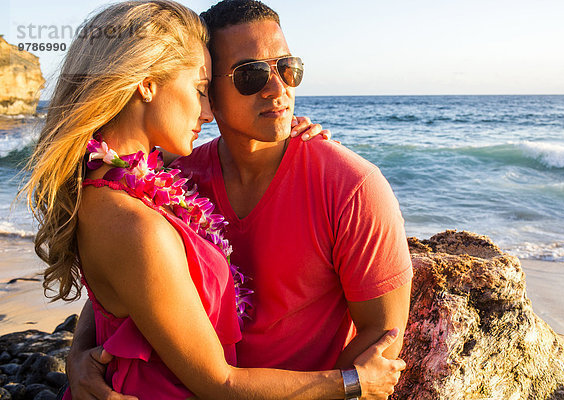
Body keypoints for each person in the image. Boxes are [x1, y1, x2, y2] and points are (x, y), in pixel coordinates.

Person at [23, 1, 406, 399]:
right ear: (211, 89)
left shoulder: (352, 186)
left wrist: (349, 387)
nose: (279, 90)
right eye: (251, 75)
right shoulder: (179, 183)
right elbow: (134, 275)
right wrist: (79, 353)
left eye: (287, 68)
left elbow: (383, 339)